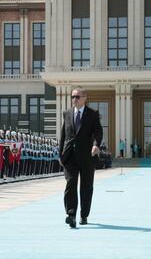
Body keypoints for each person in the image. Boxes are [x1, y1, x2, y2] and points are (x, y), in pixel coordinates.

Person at [59, 87, 103, 228]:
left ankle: (84, 215)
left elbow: (98, 132)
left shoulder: (92, 114)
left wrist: (96, 145)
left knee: (86, 187)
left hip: (87, 156)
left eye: (77, 97)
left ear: (84, 98)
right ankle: (71, 214)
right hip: (70, 156)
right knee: (70, 184)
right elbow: (63, 135)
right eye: (73, 97)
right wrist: (61, 154)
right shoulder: (67, 113)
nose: (74, 99)